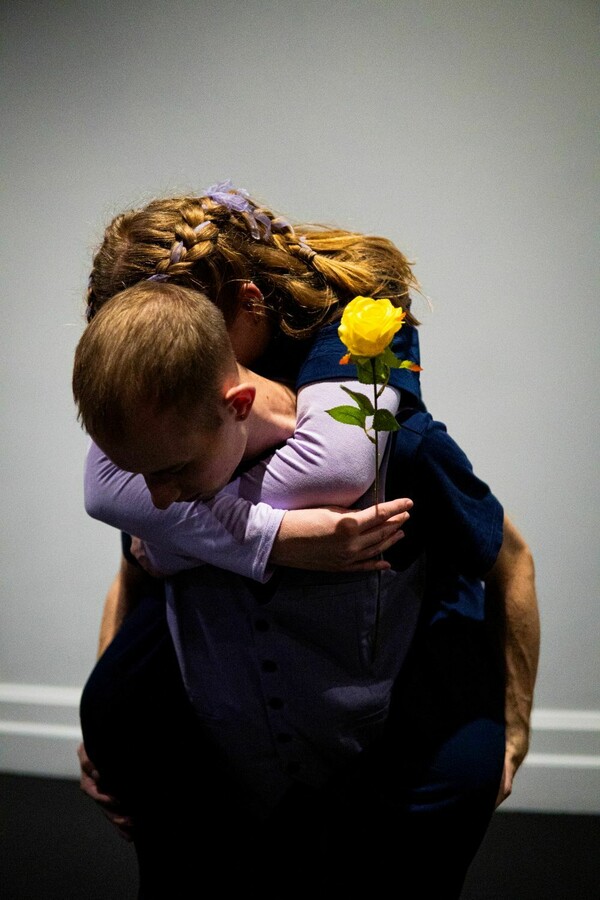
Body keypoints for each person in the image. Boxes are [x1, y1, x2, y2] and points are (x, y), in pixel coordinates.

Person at [73, 183, 539, 897]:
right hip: (226, 731)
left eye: (168, 324)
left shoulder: (364, 401)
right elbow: (133, 561)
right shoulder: (167, 432)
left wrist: (512, 728)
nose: (149, 349)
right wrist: (273, 539)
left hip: (366, 718)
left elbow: (506, 555)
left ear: (247, 307)